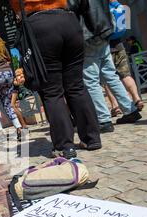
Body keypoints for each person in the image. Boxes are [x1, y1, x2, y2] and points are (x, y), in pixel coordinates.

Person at [9, 0, 102, 158]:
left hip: (40, 25)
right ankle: (91, 138)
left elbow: (17, 9)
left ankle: (64, 145)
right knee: (77, 86)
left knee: (52, 92)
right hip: (68, 21)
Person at [74, 0, 143, 133]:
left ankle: (104, 120)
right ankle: (130, 110)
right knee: (111, 75)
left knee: (91, 80)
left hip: (89, 35)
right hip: (104, 32)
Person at [108, 0, 144, 113]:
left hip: (106, 48)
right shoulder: (119, 7)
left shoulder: (101, 7)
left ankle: (115, 106)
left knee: (107, 80)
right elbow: (125, 24)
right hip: (119, 46)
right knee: (126, 75)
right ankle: (137, 99)